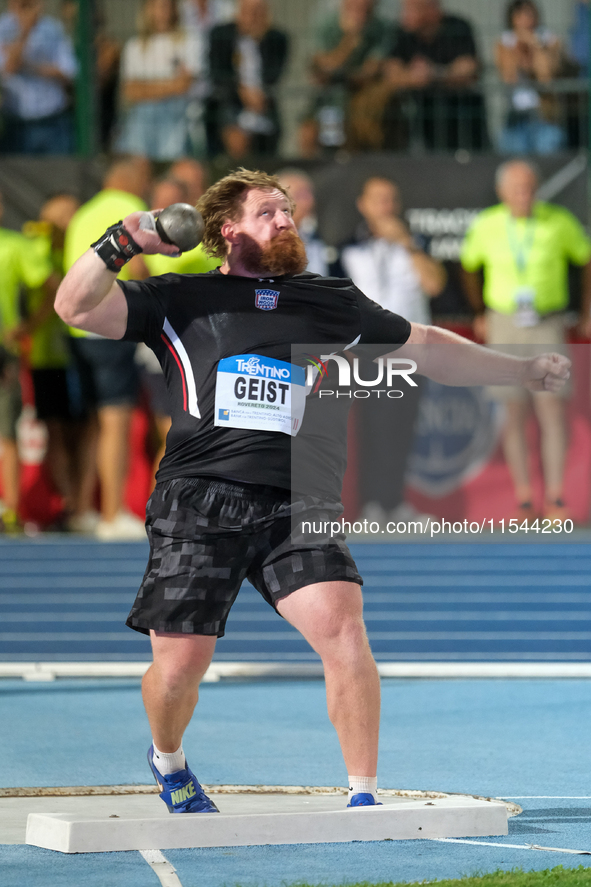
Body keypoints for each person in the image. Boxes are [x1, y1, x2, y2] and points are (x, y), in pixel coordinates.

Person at [54, 167, 569, 814]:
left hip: (296, 498)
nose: (285, 220)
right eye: (268, 211)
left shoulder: (328, 300)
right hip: (198, 497)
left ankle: (362, 793)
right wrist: (119, 245)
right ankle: (168, 757)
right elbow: (73, 307)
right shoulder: (181, 299)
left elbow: (430, 347)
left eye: (288, 210)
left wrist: (520, 369)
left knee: (342, 629)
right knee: (181, 665)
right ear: (226, 229)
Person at [461, 160, 591, 522]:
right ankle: (523, 498)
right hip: (504, 321)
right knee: (512, 412)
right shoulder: (487, 224)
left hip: (546, 321)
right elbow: (469, 266)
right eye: (517, 189)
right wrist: (480, 310)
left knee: (552, 410)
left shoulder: (558, 220)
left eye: (530, 188)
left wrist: (587, 309)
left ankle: (556, 498)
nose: (525, 195)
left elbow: (585, 259)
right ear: (503, 192)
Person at [338, 176, 445, 525]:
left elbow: (435, 284)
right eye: (378, 199)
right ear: (363, 205)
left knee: (402, 426)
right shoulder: (346, 247)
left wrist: (408, 245)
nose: (386, 206)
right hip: (367, 352)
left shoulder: (417, 242)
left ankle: (394, 503)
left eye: (391, 199)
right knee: (371, 428)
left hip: (410, 350)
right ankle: (372, 505)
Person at [63, 156, 153, 540]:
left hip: (76, 329)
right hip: (110, 327)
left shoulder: (84, 212)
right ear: (128, 177)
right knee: (116, 421)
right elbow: (139, 272)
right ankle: (112, 513)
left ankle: (84, 508)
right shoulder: (129, 208)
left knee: (92, 424)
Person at [138, 175, 220, 488]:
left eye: (174, 204)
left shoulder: (202, 245)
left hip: (198, 350)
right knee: (174, 433)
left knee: (195, 434)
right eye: (161, 203)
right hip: (159, 347)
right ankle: (156, 508)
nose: (166, 212)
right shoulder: (141, 242)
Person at [0, 189, 56, 532]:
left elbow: (52, 287)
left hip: (3, 351)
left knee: (6, 432)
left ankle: (10, 510)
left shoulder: (15, 245)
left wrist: (28, 327)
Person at [23, 193, 80, 523]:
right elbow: (48, 288)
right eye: (59, 217)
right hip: (49, 356)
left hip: (76, 352)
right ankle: (69, 501)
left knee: (84, 430)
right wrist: (28, 327)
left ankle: (79, 501)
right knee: (57, 431)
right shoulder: (38, 246)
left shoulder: (80, 249)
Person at [382, 0, 487, 151]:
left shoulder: (457, 27)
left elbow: (469, 68)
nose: (403, 15)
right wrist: (413, 77)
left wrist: (435, 73)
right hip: (417, 114)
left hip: (457, 116)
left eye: (411, 10)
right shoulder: (402, 33)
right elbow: (391, 71)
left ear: (430, 10)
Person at [298, 0, 391, 156]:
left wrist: (337, 73)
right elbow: (322, 66)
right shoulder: (327, 24)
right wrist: (350, 40)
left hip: (359, 98)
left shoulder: (381, 28)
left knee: (350, 138)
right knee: (310, 134)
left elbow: (370, 70)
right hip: (328, 97)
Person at [116, 0, 202, 161]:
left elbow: (184, 85)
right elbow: (130, 91)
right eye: (155, 5)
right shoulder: (134, 46)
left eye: (165, 5)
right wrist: (171, 84)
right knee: (143, 115)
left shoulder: (190, 41)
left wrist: (146, 87)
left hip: (176, 116)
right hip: (143, 119)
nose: (161, 11)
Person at [206, 0, 288, 160]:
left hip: (262, 102)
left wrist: (259, 40)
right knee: (237, 139)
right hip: (231, 101)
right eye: (248, 11)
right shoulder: (221, 34)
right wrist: (242, 91)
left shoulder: (276, 38)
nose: (252, 17)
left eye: (257, 11)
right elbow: (218, 73)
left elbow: (273, 75)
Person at [0, 0, 77, 154]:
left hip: (53, 122)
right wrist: (25, 32)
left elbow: (69, 72)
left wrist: (30, 66)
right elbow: (9, 68)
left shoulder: (53, 28)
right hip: (17, 124)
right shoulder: (3, 28)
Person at [495, 0, 565, 155]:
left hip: (545, 116)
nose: (526, 20)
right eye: (520, 15)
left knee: (548, 158)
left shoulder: (550, 41)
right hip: (516, 117)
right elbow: (509, 76)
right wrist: (519, 52)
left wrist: (535, 46)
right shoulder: (504, 42)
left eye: (530, 14)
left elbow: (546, 78)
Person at [276, 168, 333, 276]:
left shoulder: (320, 238)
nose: (308, 202)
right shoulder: (268, 245)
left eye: (309, 194)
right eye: (300, 195)